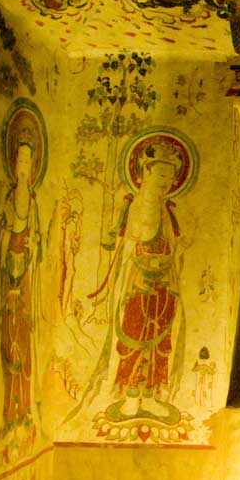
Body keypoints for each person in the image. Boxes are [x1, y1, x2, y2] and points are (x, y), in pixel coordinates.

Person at [90, 139, 187, 419]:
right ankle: (131, 395)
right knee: (134, 334)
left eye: (169, 176)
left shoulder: (168, 210)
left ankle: (152, 394)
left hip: (164, 284)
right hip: (138, 283)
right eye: (160, 174)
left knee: (161, 341)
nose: (165, 182)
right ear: (146, 173)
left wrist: (175, 254)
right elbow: (132, 243)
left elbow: (175, 246)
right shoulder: (134, 206)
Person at [0, 134, 42, 432]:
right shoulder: (6, 201)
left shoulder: (32, 205)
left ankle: (24, 409)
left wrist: (32, 247)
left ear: (33, 167)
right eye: (19, 160)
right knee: (5, 346)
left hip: (24, 285)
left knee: (23, 346)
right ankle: (6, 413)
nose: (22, 167)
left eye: (27, 161)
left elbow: (36, 245)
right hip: (5, 284)